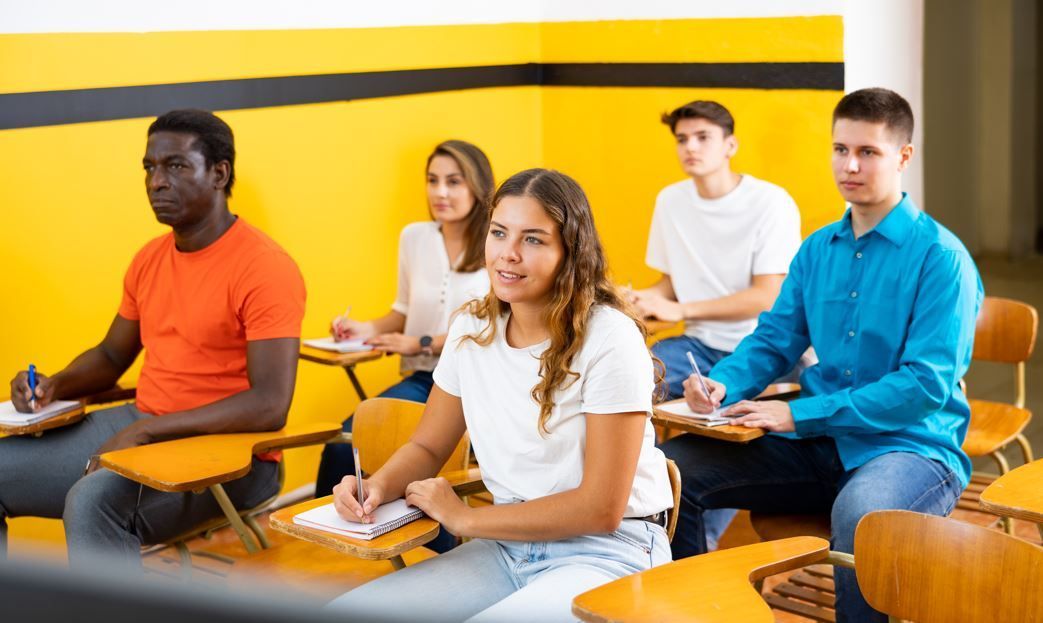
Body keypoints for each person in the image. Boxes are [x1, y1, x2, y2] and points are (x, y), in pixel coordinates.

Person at [662, 88, 982, 622]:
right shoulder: (816, 250)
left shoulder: (941, 259)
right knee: (671, 473)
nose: (849, 165)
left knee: (860, 515)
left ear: (903, 156)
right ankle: (697, 613)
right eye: (840, 149)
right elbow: (774, 339)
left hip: (909, 448)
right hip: (817, 441)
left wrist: (797, 413)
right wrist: (722, 384)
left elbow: (925, 386)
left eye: (868, 152)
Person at [326, 169, 674, 622]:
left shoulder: (610, 337)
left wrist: (464, 520)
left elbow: (601, 508)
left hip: (610, 552)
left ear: (571, 252)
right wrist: (375, 487)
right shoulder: (471, 329)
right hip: (506, 547)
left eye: (533, 239)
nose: (508, 255)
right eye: (499, 233)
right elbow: (428, 445)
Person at [0, 109, 306, 569]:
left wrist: (145, 430)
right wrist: (53, 385)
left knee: (92, 503)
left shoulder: (265, 267)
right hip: (145, 422)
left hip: (236, 456)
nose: (156, 182)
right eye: (150, 167)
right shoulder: (150, 259)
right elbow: (110, 355)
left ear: (219, 173)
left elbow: (269, 405)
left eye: (176, 166)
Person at [630, 100, 802, 550]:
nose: (690, 147)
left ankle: (694, 526)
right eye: (682, 139)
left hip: (769, 354)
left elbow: (769, 296)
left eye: (703, 137)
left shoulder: (770, 202)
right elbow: (669, 284)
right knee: (626, 381)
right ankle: (638, 514)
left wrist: (682, 308)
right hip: (698, 345)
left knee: (724, 421)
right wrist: (641, 301)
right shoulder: (671, 201)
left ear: (730, 145)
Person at [314, 141, 493, 502]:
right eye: (433, 180)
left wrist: (421, 343)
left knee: (429, 462)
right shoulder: (414, 237)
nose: (440, 192)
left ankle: (434, 548)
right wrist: (365, 330)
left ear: (478, 186)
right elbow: (403, 311)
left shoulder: (499, 239)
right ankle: (328, 536)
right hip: (425, 379)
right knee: (343, 444)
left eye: (454, 182)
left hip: (480, 385)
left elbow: (493, 323)